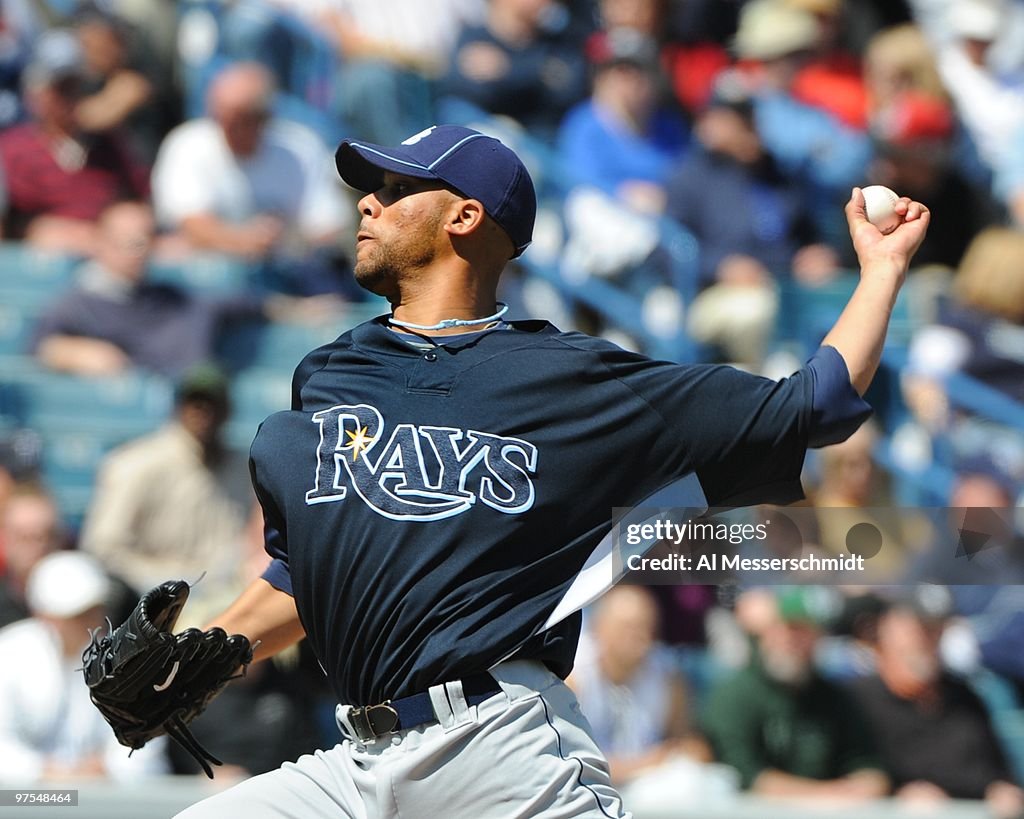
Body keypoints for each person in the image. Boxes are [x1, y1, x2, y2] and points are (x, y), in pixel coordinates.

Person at [172, 123, 928, 817]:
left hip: (498, 748)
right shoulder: (333, 374)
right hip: (356, 758)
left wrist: (881, 269)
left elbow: (816, 404)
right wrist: (205, 652)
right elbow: (310, 574)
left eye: (397, 189)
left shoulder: (580, 385)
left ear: (464, 217)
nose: (366, 202)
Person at [150, 61, 353, 295]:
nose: (225, 125)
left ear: (263, 117)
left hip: (283, 277)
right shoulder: (187, 144)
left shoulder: (301, 149)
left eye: (238, 118)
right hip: (204, 281)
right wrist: (245, 240)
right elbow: (191, 226)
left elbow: (327, 226)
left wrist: (287, 243)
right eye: (219, 114)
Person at [80, 364, 254, 628]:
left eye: (212, 403)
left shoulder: (245, 468)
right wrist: (165, 582)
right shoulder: (136, 464)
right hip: (148, 598)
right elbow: (103, 547)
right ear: (178, 407)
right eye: (195, 403)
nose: (204, 412)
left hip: (225, 594)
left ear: (227, 410)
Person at [702, 588, 888, 801]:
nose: (791, 640)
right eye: (785, 628)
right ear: (765, 632)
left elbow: (866, 762)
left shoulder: (835, 698)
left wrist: (866, 784)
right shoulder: (734, 695)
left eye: (803, 630)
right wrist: (825, 797)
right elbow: (740, 773)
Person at [0, 550, 168, 781]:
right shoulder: (10, 652)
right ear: (44, 615)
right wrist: (46, 773)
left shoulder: (122, 660)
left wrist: (103, 769)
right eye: (77, 614)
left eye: (95, 610)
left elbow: (145, 742)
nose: (92, 621)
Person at [849, 600, 1024, 818]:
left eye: (935, 629)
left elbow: (996, 772)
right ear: (884, 629)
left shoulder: (965, 696)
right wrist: (895, 794)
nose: (926, 640)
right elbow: (853, 775)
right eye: (917, 629)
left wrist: (1001, 789)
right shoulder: (856, 699)